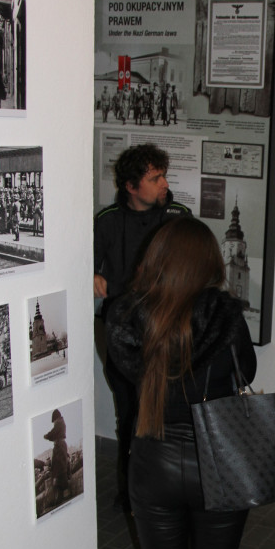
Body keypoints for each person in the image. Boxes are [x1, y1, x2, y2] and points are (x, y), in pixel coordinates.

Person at [106, 217, 256, 549]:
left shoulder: (128, 315)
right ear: (208, 262)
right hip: (220, 461)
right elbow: (246, 370)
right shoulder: (225, 315)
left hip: (154, 460)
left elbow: (126, 374)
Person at [94, 143, 191, 503]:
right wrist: (90, 274)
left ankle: (168, 490)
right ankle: (130, 492)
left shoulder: (179, 217)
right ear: (131, 187)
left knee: (168, 413)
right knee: (128, 414)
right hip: (122, 333)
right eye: (155, 178)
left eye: (164, 175)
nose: (165, 183)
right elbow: (83, 262)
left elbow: (192, 268)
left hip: (167, 330)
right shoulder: (107, 221)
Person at [44, 409, 71, 504]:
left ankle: (61, 494)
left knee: (59, 468)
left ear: (55, 418)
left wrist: (46, 436)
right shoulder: (61, 423)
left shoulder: (59, 423)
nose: (54, 423)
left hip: (59, 446)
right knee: (60, 467)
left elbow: (53, 433)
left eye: (53, 421)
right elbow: (55, 435)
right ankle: (62, 493)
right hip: (60, 446)